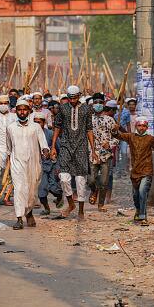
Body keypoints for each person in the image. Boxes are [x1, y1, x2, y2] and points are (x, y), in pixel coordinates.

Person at [112, 116, 154, 226]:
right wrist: (115, 129)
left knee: (142, 192)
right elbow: (118, 135)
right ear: (136, 126)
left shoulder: (150, 138)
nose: (141, 128)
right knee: (136, 196)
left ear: (147, 127)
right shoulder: (131, 136)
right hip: (135, 171)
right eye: (139, 125)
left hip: (146, 170)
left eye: (144, 126)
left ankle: (143, 216)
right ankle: (138, 210)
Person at [51, 85, 98, 220]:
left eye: (75, 97)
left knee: (80, 180)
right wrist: (53, 146)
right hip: (66, 145)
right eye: (70, 98)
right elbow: (57, 127)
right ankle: (71, 204)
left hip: (81, 146)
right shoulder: (62, 108)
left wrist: (93, 150)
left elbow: (89, 129)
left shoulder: (86, 109)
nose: (72, 100)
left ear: (79, 96)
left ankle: (81, 211)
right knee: (64, 178)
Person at [6, 104, 50, 230]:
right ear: (16, 112)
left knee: (31, 192)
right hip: (17, 163)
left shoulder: (36, 127)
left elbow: (43, 143)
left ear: (29, 111)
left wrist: (45, 151)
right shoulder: (10, 128)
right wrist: (8, 165)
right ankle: (19, 218)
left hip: (34, 164)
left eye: (24, 109)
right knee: (19, 190)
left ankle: (29, 212)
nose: (22, 112)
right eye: (19, 110)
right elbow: (9, 148)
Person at [88, 93, 118, 212]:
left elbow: (117, 138)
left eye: (100, 102)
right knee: (91, 179)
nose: (98, 105)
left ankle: (101, 204)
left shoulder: (110, 120)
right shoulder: (88, 120)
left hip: (106, 154)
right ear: (92, 104)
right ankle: (94, 190)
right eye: (96, 103)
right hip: (92, 153)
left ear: (104, 104)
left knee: (104, 181)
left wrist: (109, 144)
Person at [34, 113, 63, 216]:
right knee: (41, 190)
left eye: (39, 122)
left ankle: (59, 197)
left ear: (44, 122)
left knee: (54, 188)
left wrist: (59, 165)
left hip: (51, 166)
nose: (37, 124)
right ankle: (47, 208)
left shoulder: (50, 134)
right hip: (38, 167)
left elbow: (59, 150)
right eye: (35, 122)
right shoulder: (31, 135)